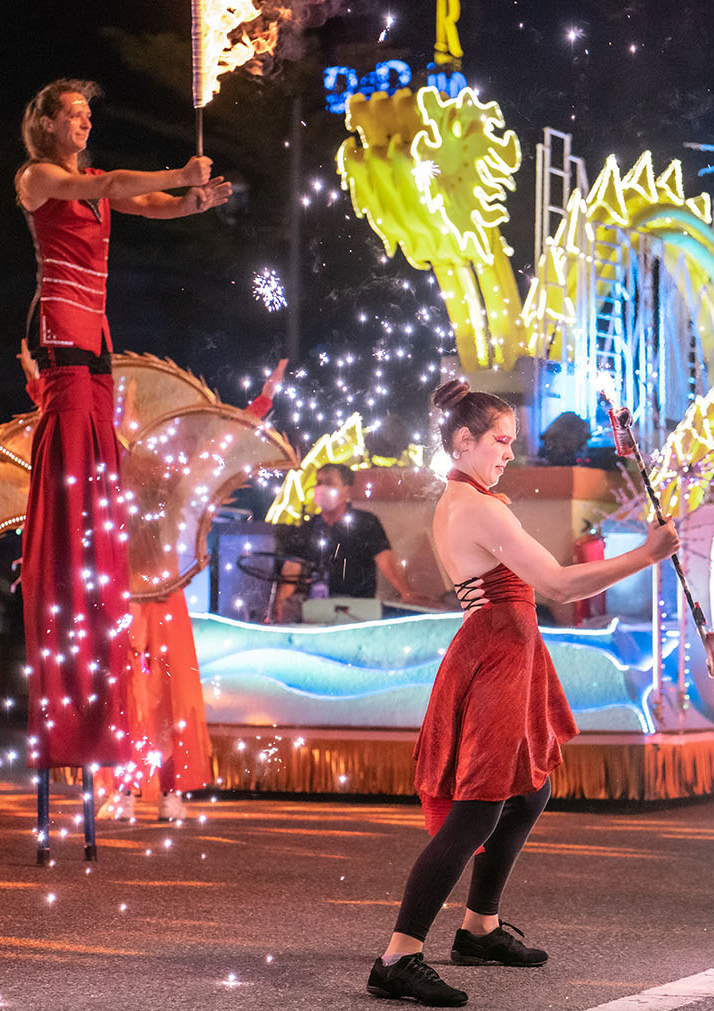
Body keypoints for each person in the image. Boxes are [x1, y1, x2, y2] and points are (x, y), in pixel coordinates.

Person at [365, 381, 680, 1007]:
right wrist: (648, 553)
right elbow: (559, 586)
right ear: (464, 440)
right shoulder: (480, 507)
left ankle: (479, 928)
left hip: (505, 649)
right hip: (497, 654)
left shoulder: (468, 498)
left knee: (530, 787)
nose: (510, 453)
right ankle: (397, 957)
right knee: (478, 806)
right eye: (501, 441)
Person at [13, 78, 229, 792]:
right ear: (44, 123)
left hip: (96, 357)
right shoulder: (40, 178)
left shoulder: (92, 186)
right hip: (65, 351)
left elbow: (148, 203)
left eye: (87, 113)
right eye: (72, 113)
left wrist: (193, 198)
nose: (84, 121)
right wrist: (176, 172)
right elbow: (116, 182)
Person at [275, 463, 423, 621]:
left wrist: (406, 594)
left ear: (346, 489)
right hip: (318, 611)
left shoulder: (366, 522)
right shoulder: (307, 529)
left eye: (329, 482)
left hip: (360, 609)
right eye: (318, 482)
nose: (321, 488)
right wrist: (280, 605)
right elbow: (291, 571)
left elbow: (386, 561)